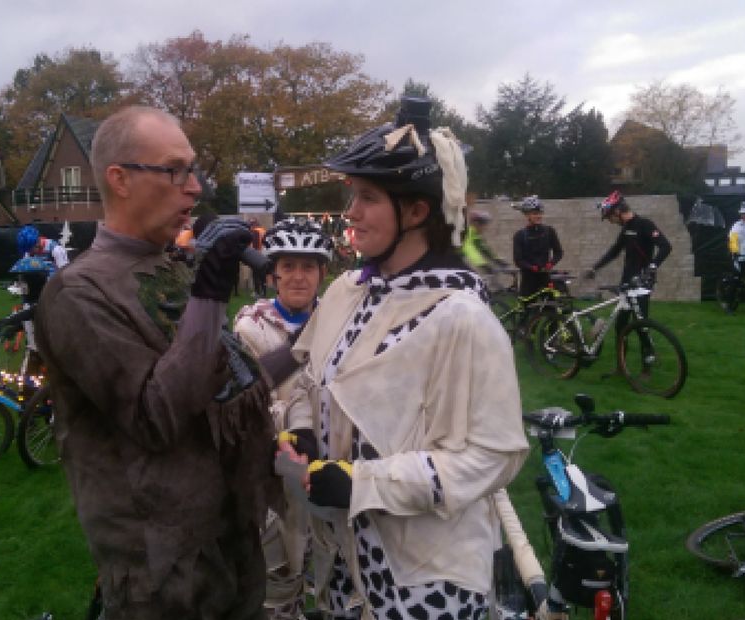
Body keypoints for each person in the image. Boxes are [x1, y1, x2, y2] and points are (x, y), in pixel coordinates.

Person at [278, 97, 529, 620]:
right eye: (353, 196)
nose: (351, 213)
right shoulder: (348, 290)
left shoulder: (462, 319)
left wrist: (364, 483)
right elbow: (307, 378)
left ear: (416, 212)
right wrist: (304, 429)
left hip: (422, 580)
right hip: (343, 566)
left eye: (368, 197)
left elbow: (493, 457)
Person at [33, 106, 284, 620]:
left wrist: (309, 352)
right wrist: (211, 290)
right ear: (119, 180)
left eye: (193, 171)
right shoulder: (78, 293)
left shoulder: (170, 266)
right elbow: (157, 415)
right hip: (163, 572)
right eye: (175, 170)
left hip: (233, 540)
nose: (194, 189)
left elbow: (223, 385)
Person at [233, 219, 334, 620]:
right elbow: (244, 406)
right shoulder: (250, 328)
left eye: (308, 267)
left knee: (333, 569)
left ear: (322, 273)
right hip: (274, 475)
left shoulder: (340, 322)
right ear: (273, 273)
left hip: (332, 467)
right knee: (280, 578)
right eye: (288, 266)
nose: (298, 276)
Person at [584, 191, 671, 369]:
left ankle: (647, 368)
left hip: (642, 284)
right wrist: (595, 267)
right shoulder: (626, 229)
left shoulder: (644, 224)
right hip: (627, 283)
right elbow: (615, 251)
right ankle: (621, 368)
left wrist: (652, 267)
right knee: (621, 326)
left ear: (617, 211)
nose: (610, 221)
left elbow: (665, 246)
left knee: (641, 327)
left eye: (609, 217)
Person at [511, 195, 563, 296]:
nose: (539, 216)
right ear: (527, 215)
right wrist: (531, 267)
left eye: (540, 213)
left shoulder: (549, 231)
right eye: (535, 213)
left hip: (545, 277)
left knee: (550, 309)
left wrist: (551, 263)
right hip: (528, 280)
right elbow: (518, 260)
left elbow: (558, 252)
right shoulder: (520, 235)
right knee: (527, 309)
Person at [462, 209, 507, 276]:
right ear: (476, 224)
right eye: (484, 225)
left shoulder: (476, 235)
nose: (485, 228)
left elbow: (484, 250)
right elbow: (469, 250)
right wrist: (483, 264)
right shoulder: (468, 233)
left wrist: (497, 260)